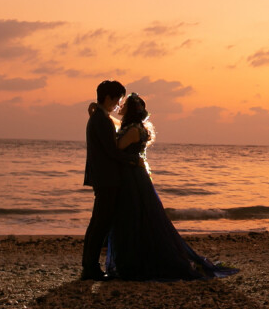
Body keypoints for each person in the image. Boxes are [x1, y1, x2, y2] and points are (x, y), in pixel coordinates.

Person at [104, 92, 238, 280]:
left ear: (131, 110)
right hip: (136, 176)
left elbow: (115, 148)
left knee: (132, 216)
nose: (121, 106)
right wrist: (103, 114)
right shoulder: (135, 127)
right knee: (138, 215)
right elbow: (118, 128)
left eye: (124, 104)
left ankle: (134, 262)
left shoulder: (133, 130)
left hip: (132, 178)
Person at [82, 80, 139, 281]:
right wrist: (133, 160)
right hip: (106, 178)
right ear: (108, 98)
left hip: (102, 177)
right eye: (117, 100)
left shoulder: (99, 117)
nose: (118, 105)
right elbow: (112, 151)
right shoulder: (101, 120)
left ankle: (89, 266)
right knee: (100, 224)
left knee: (98, 223)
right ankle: (90, 268)